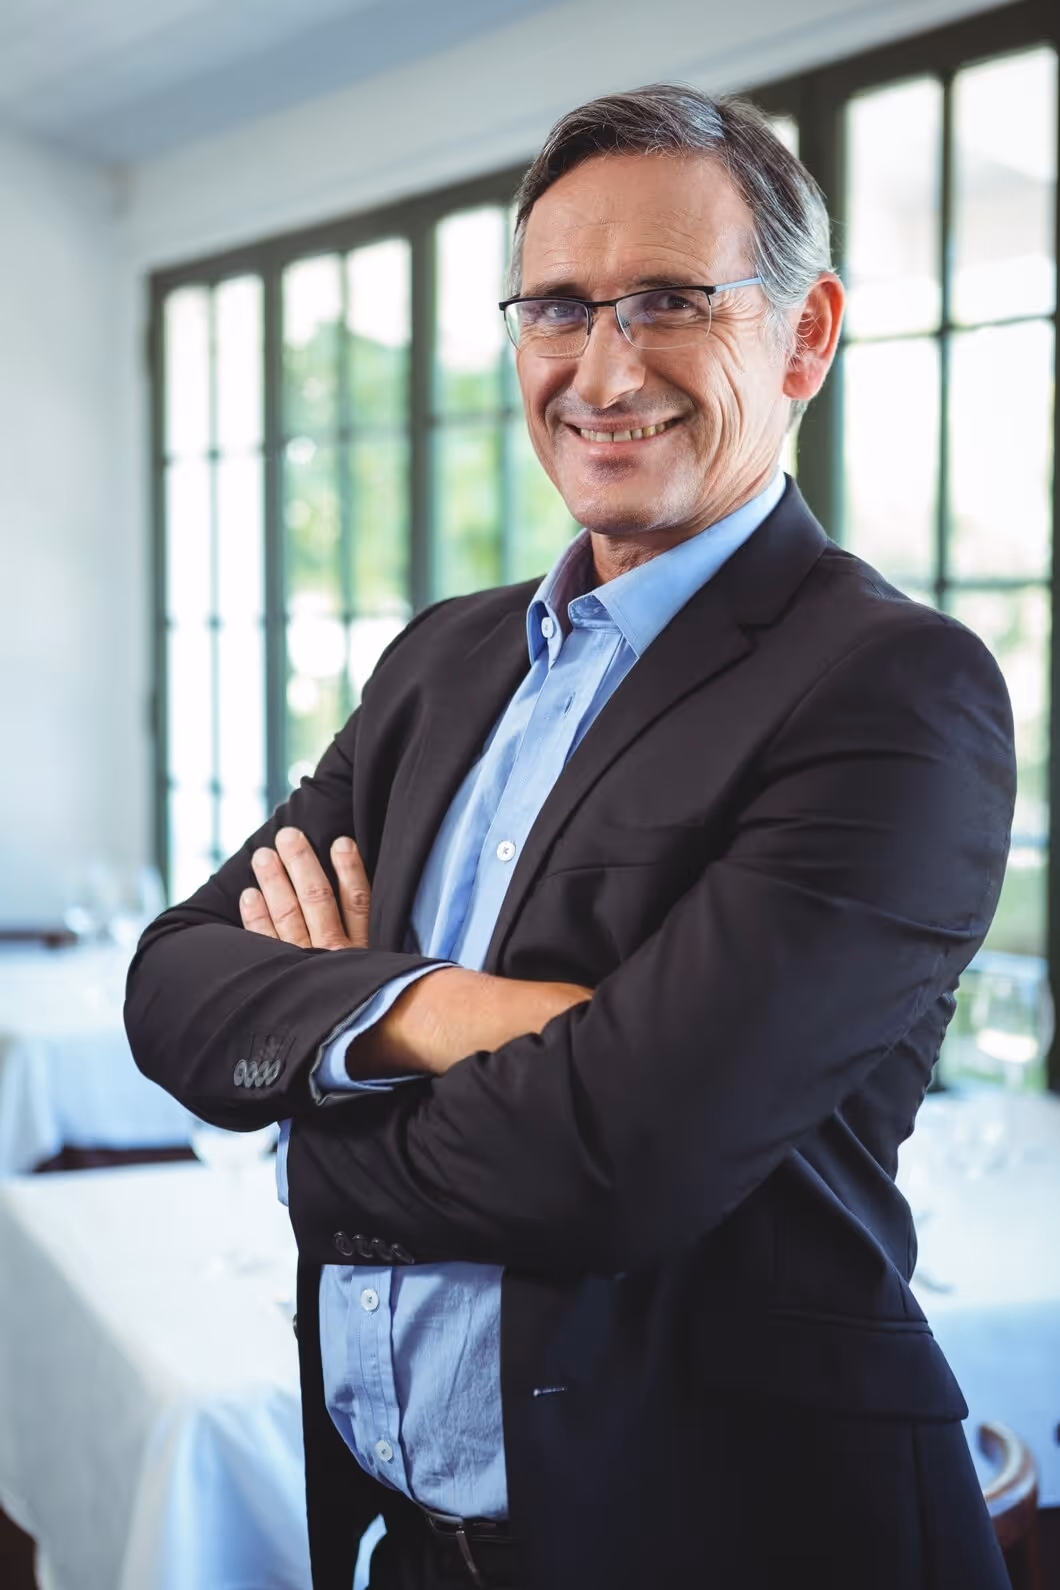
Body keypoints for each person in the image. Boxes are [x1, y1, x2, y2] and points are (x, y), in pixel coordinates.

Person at [126, 84, 1016, 1590]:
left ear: (804, 337)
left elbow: (622, 1155)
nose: (603, 369)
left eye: (669, 300)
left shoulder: (894, 691)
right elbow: (172, 980)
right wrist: (446, 1012)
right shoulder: (442, 661)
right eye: (557, 307)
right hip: (413, 1549)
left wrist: (312, 1114)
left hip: (738, 1541)